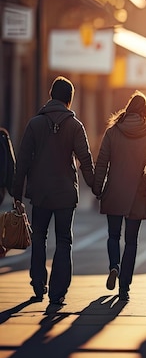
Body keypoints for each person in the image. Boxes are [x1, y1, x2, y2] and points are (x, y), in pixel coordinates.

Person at [12, 76, 94, 304]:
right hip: (66, 193)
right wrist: (96, 187)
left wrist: (16, 194)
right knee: (64, 240)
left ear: (51, 96)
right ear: (70, 99)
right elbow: (85, 160)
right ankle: (58, 293)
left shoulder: (34, 124)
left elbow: (23, 162)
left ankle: (38, 284)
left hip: (40, 192)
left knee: (39, 237)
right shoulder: (75, 126)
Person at [92, 91, 146, 301]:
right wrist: (145, 181)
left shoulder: (113, 131)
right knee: (131, 242)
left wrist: (98, 188)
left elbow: (102, 163)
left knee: (113, 235)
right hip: (138, 194)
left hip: (114, 190)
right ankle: (124, 287)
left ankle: (114, 265)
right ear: (145, 111)